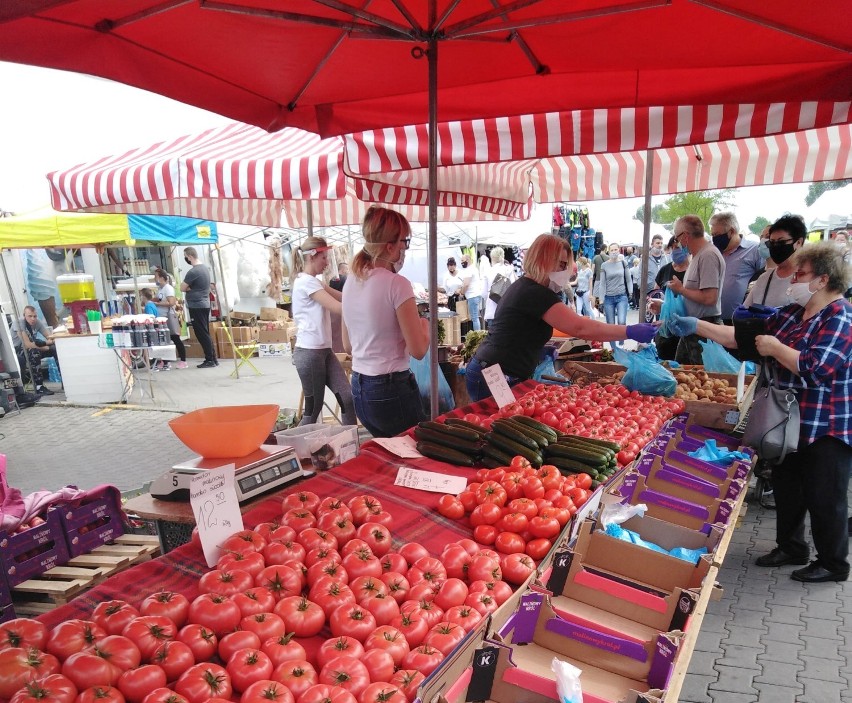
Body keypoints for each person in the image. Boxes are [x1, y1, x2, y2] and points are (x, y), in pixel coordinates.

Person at [668, 240, 852, 582]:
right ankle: (792, 547)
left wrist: (778, 348)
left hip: (826, 424)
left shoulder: (841, 317)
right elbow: (742, 337)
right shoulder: (793, 314)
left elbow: (816, 368)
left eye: (801, 273)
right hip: (788, 420)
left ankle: (833, 563)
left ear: (823, 280)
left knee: (825, 495)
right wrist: (696, 326)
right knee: (788, 486)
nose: (794, 278)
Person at [465, 234, 657, 402]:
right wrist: (629, 331)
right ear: (543, 260)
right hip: (493, 374)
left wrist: (535, 349)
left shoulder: (527, 287)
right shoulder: (535, 292)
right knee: (500, 432)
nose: (567, 270)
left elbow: (517, 330)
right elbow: (580, 327)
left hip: (498, 370)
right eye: (562, 264)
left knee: (507, 429)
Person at [341, 207, 429, 437]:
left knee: (388, 458)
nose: (404, 249)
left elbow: (347, 345)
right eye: (404, 242)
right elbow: (419, 350)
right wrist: (425, 327)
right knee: (413, 456)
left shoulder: (352, 280)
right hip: (391, 389)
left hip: (361, 388)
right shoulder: (397, 284)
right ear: (390, 246)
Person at [741, 215, 809, 510]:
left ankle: (780, 483)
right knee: (770, 429)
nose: (775, 248)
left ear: (800, 243)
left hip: (801, 386)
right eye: (772, 242)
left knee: (794, 448)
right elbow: (743, 319)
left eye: (782, 243)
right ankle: (769, 475)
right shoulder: (765, 279)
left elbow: (812, 364)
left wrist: (778, 343)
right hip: (769, 370)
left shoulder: (817, 292)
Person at [291, 237, 356, 427]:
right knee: (313, 409)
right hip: (309, 353)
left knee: (348, 399)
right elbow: (339, 307)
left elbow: (345, 298)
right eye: (324, 258)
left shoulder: (315, 282)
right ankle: (299, 453)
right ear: (312, 256)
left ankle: (350, 444)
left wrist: (363, 294)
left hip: (324, 351)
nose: (327, 263)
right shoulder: (306, 283)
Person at [665, 215, 725, 364]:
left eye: (677, 238)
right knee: (681, 374)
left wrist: (681, 290)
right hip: (693, 328)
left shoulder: (708, 255)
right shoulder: (697, 256)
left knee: (700, 379)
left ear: (685, 236)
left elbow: (710, 298)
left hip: (704, 329)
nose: (677, 243)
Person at [709, 212, 765, 322]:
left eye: (716, 235)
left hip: (739, 320)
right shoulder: (714, 251)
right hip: (713, 318)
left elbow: (763, 278)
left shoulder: (754, 250)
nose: (714, 239)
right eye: (712, 235)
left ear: (731, 231)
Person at [651, 235, 691, 360]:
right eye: (673, 248)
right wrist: (653, 303)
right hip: (665, 328)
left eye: (679, 248)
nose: (675, 251)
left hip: (686, 328)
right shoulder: (665, 269)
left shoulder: (693, 271)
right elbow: (655, 292)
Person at [180, 246, 218, 368]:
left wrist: (190, 288)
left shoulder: (193, 271)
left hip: (197, 305)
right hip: (204, 304)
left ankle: (210, 359)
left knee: (201, 333)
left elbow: (182, 288)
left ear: (190, 256)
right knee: (205, 331)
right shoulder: (205, 269)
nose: (185, 259)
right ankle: (213, 357)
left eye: (186, 257)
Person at [10, 305, 58, 396]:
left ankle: (64, 380)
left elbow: (50, 338)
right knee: (34, 352)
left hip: (33, 347)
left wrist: (47, 343)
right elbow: (27, 345)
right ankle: (39, 386)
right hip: (17, 351)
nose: (33, 319)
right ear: (24, 316)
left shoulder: (37, 322)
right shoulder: (19, 323)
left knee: (55, 349)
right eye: (30, 316)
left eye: (35, 316)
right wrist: (45, 345)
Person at [154, 268, 188, 369]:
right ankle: (164, 361)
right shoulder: (160, 289)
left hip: (167, 317)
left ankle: (183, 360)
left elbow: (171, 303)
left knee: (175, 337)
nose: (154, 278)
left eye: (155, 276)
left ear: (161, 278)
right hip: (161, 317)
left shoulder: (168, 288)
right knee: (163, 339)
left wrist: (158, 303)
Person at [599, 243, 631, 337]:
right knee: (611, 325)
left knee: (621, 322)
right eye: (612, 250)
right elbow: (602, 283)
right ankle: (613, 348)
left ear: (619, 250)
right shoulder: (604, 265)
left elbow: (629, 279)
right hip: (608, 297)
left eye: (615, 249)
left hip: (621, 296)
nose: (614, 252)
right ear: (608, 251)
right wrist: (601, 300)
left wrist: (631, 292)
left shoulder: (623, 263)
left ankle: (621, 344)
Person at [482, 247, 516, 328]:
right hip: (507, 310)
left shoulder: (487, 271)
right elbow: (514, 289)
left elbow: (483, 293)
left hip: (492, 311)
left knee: (492, 338)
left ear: (492, 257)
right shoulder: (509, 270)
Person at [459, 254, 483, 331]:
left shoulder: (469, 270)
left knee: (474, 318)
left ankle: (477, 335)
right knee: (475, 317)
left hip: (472, 296)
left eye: (462, 260)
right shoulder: (474, 268)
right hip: (476, 295)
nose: (461, 262)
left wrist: (462, 292)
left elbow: (466, 284)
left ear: (468, 260)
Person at [591, 245, 607, 312]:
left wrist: (591, 278)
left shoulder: (595, 258)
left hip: (597, 278)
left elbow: (592, 269)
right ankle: (605, 310)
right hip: (606, 279)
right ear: (605, 249)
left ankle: (592, 310)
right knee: (605, 294)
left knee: (594, 295)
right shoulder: (608, 258)